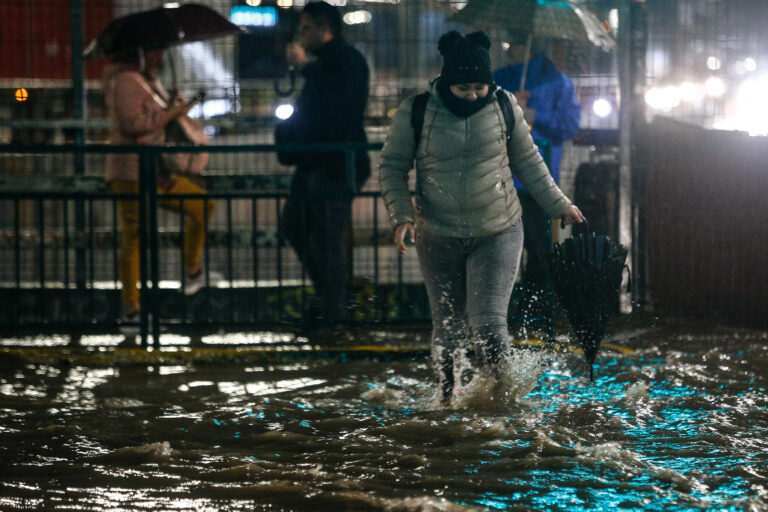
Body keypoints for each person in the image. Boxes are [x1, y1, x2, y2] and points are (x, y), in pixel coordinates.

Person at [378, 30, 584, 405]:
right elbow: (392, 166)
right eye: (464, 88)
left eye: (480, 87)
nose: (473, 95)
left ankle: (502, 401)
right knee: (449, 327)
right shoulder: (417, 110)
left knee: (488, 324)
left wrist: (559, 204)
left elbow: (529, 160)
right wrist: (401, 216)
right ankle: (445, 401)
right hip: (437, 233)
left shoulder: (505, 105)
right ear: (446, 82)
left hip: (498, 229)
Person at [103, 45, 217, 327]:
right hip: (130, 172)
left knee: (202, 204)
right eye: (154, 51)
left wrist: (173, 107)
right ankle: (131, 309)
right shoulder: (126, 80)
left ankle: (192, 271)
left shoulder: (146, 81)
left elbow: (153, 120)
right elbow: (133, 124)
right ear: (139, 52)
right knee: (135, 234)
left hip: (155, 172)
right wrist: (170, 113)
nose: (160, 56)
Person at [275, 1, 370, 325]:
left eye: (304, 28)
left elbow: (336, 102)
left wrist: (304, 67)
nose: (300, 36)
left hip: (337, 165)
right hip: (313, 164)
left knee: (327, 238)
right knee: (296, 227)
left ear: (322, 28)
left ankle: (334, 313)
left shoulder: (346, 60)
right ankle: (327, 299)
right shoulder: (324, 64)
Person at [493, 35, 582, 335]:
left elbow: (568, 126)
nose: (508, 49)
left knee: (537, 252)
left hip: (527, 183)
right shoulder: (500, 80)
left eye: (512, 42)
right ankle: (523, 319)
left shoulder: (555, 82)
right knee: (512, 252)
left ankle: (533, 318)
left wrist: (531, 113)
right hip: (509, 180)